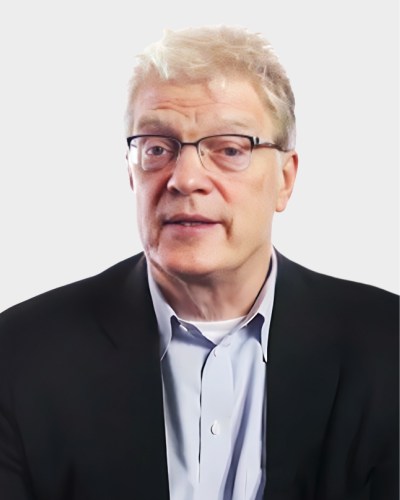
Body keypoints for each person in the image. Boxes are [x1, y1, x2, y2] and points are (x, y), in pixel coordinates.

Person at [0, 25, 398, 500]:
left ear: (285, 180)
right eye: (157, 149)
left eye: (229, 149)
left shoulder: (387, 348)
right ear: (132, 174)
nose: (185, 179)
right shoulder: (19, 356)